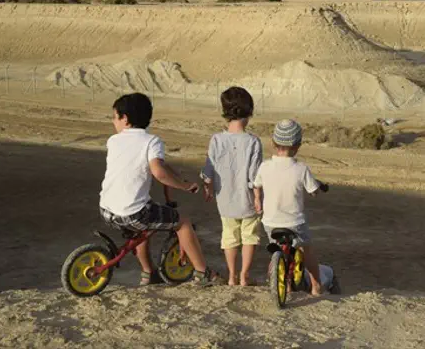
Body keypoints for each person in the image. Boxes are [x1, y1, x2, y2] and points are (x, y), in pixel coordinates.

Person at [99, 92, 221, 286]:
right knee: (182, 222)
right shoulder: (151, 141)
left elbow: (160, 166)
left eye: (115, 117)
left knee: (145, 225)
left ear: (126, 119)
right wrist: (183, 185)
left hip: (107, 209)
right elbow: (158, 171)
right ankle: (202, 271)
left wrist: (179, 177)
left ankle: (148, 273)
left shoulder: (113, 141)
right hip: (133, 213)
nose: (113, 121)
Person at [253, 119, 325, 296]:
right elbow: (313, 190)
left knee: (276, 247)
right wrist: (316, 191)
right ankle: (316, 285)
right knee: (306, 249)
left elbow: (256, 185)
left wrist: (257, 200)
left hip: (270, 221)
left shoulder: (265, 166)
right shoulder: (301, 169)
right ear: (298, 145)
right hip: (294, 222)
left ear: (273, 143)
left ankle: (283, 279)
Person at [200, 87, 263, 286]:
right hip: (247, 200)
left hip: (225, 199)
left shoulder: (217, 140)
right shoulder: (253, 141)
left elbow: (209, 169)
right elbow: (255, 175)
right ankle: (244, 275)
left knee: (229, 237)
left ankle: (232, 275)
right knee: (249, 237)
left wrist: (208, 188)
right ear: (249, 111)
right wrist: (258, 197)